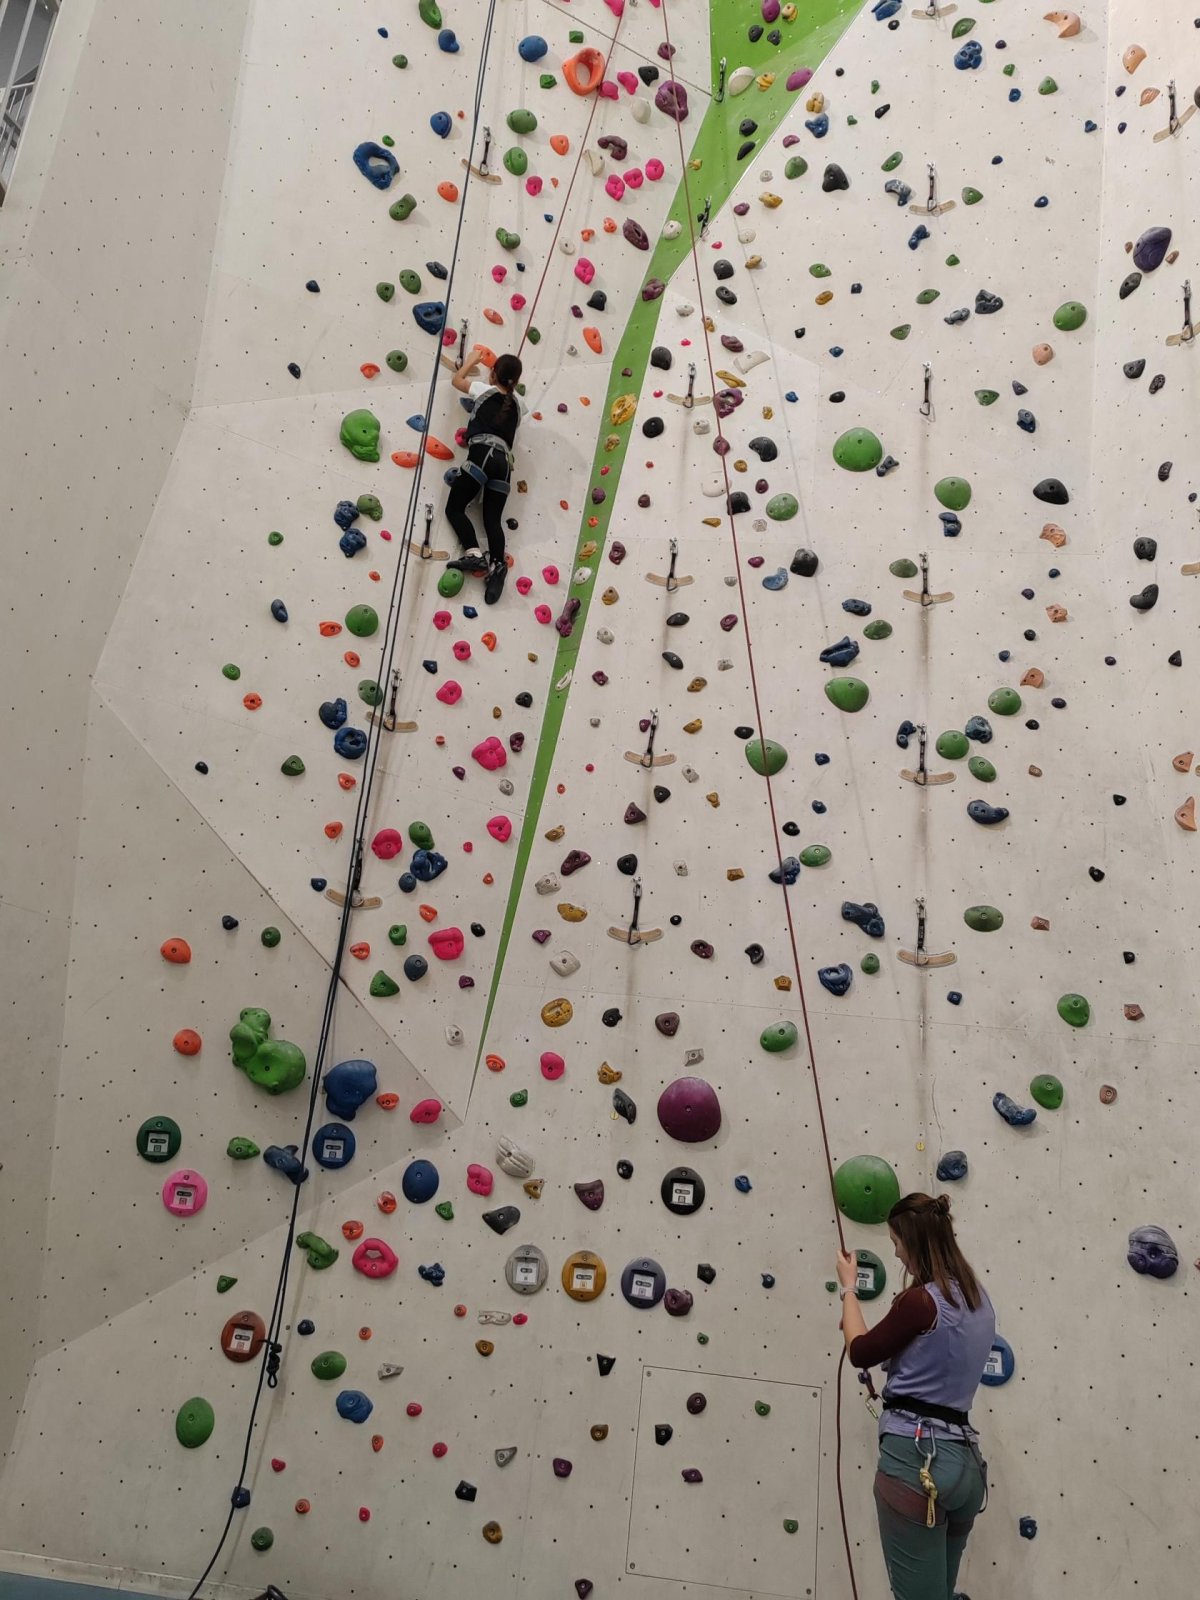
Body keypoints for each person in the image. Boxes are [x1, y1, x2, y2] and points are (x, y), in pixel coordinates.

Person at [836, 1192, 996, 1600]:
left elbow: (860, 1352)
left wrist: (849, 1290)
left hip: (916, 1461)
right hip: (964, 1463)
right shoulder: (979, 1300)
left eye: (897, 1243)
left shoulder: (921, 1302)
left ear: (913, 1241)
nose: (897, 1254)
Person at [444, 351, 527, 605]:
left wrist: (471, 360)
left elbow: (457, 381)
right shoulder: (520, 406)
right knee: (492, 519)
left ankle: (474, 553)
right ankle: (498, 566)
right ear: (516, 380)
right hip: (504, 465)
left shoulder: (483, 389)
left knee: (455, 508)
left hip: (483, 454)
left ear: (493, 374)